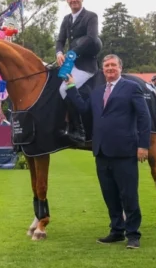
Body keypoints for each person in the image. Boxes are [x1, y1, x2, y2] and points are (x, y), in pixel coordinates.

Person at [65, 54, 151, 249]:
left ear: (120, 68)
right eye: (106, 66)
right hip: (102, 151)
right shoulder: (97, 92)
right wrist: (71, 86)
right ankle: (116, 231)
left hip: (125, 151)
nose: (110, 68)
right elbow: (83, 108)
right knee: (109, 195)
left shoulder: (131, 88)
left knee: (128, 195)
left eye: (113, 65)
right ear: (102, 70)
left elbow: (144, 118)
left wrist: (143, 145)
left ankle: (133, 234)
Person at [55, 0, 101, 143]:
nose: (74, 0)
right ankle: (64, 123)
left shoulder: (91, 16)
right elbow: (60, 40)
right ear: (67, 0)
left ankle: (79, 129)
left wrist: (73, 51)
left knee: (64, 89)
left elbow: (91, 38)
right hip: (69, 64)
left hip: (86, 66)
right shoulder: (66, 19)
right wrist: (59, 53)